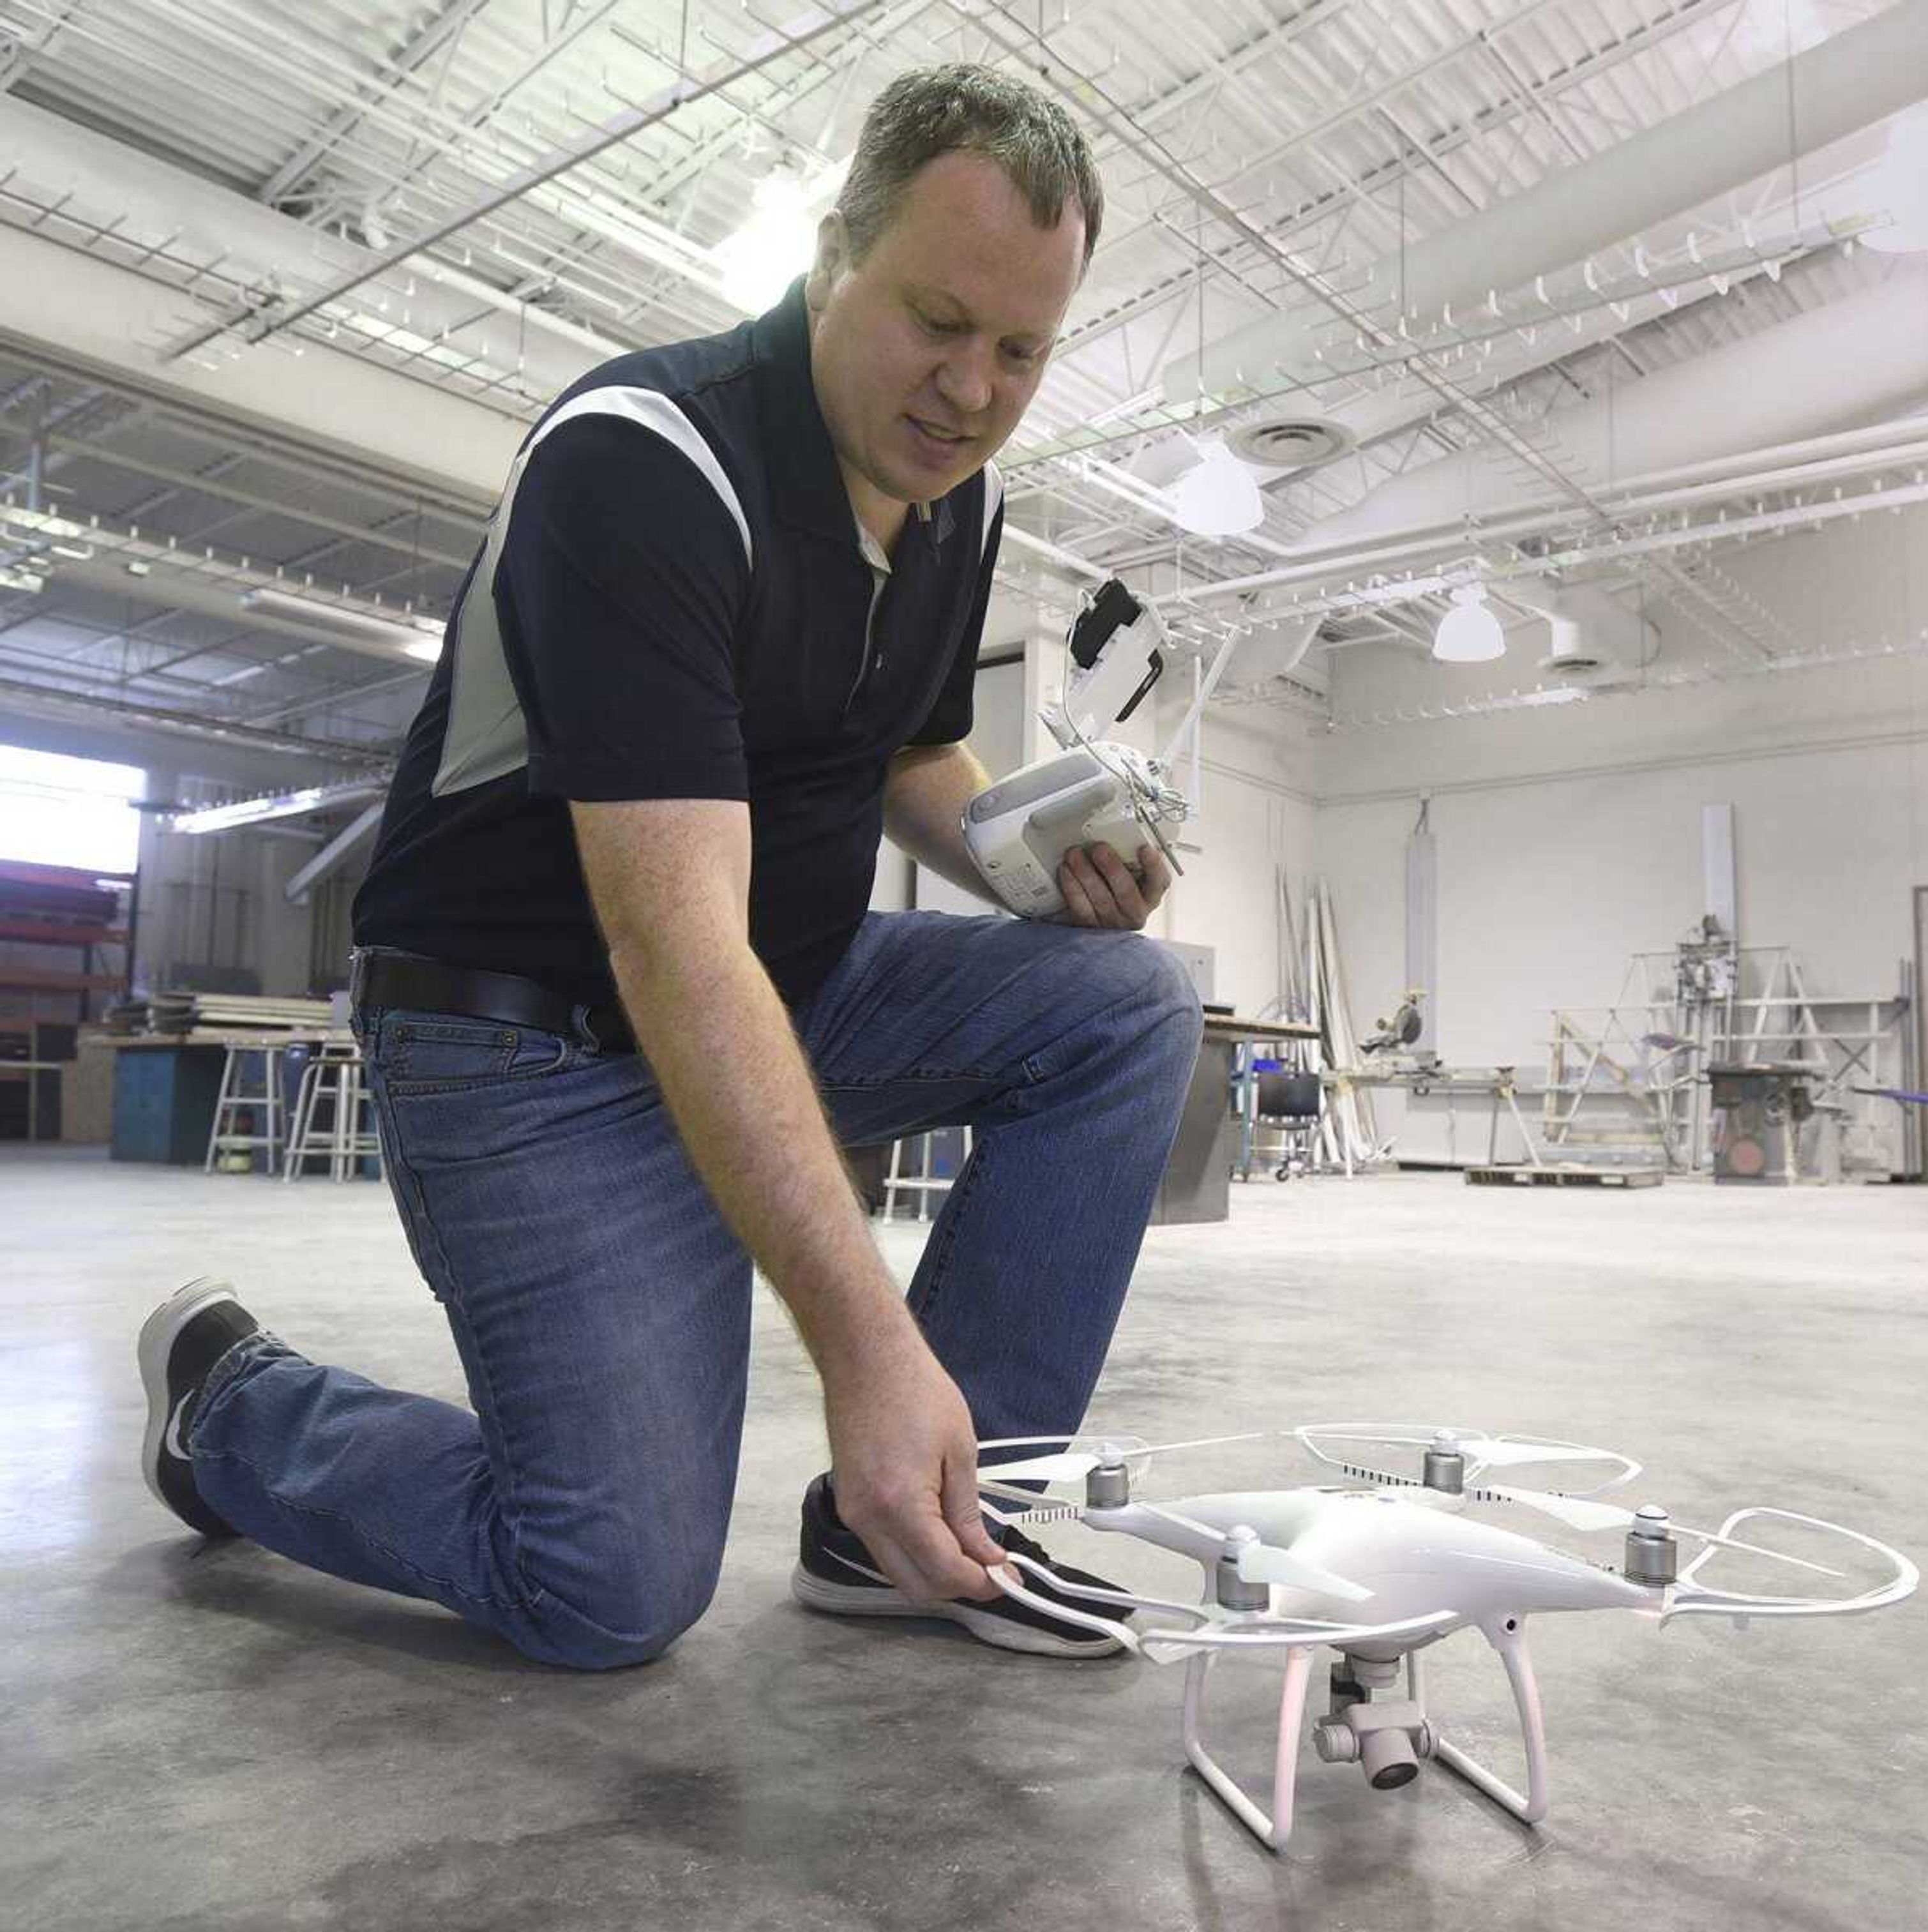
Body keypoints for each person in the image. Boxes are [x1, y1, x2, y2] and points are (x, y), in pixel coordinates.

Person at [135, 66, 1203, 1669]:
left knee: (1121, 1005)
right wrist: (869, 1348)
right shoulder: (645, 463)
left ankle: (912, 1523)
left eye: (1021, 352)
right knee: (610, 1583)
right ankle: (231, 1403)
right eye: (935, 318)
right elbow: (674, 944)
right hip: (524, 1037)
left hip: (790, 981)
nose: (971, 388)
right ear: (835, 248)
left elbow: (906, 752)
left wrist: (1031, 865)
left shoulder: (953, 500)